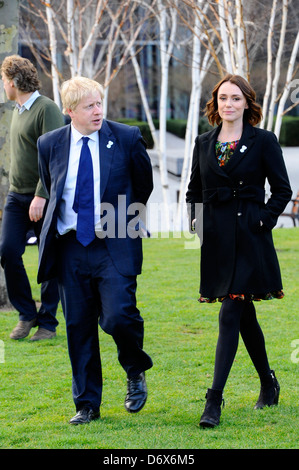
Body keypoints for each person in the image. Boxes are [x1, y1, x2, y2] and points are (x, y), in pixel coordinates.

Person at [37, 76, 153, 425]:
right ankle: (87, 404)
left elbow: (143, 185)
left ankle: (134, 368)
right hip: (70, 246)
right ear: (69, 111)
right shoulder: (49, 144)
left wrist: (124, 221)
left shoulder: (127, 137)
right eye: (89, 106)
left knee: (119, 316)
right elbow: (52, 186)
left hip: (113, 241)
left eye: (100, 103)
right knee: (78, 326)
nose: (98, 111)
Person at [186, 74, 292, 428]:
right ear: (215, 103)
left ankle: (213, 401)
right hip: (216, 241)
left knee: (230, 313)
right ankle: (268, 382)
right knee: (244, 317)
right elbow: (194, 191)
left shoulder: (263, 141)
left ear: (247, 103)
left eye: (235, 98)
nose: (227, 104)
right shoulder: (204, 142)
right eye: (222, 98)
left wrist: (261, 221)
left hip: (250, 239)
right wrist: (197, 225)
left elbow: (281, 190)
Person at [0, 55, 64, 341]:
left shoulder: (46, 108)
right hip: (16, 196)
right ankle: (27, 313)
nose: (3, 85)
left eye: (3, 80)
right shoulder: (17, 109)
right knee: (8, 252)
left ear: (13, 81)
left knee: (48, 259)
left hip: (43, 197)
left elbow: (55, 157)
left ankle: (48, 323)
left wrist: (42, 195)